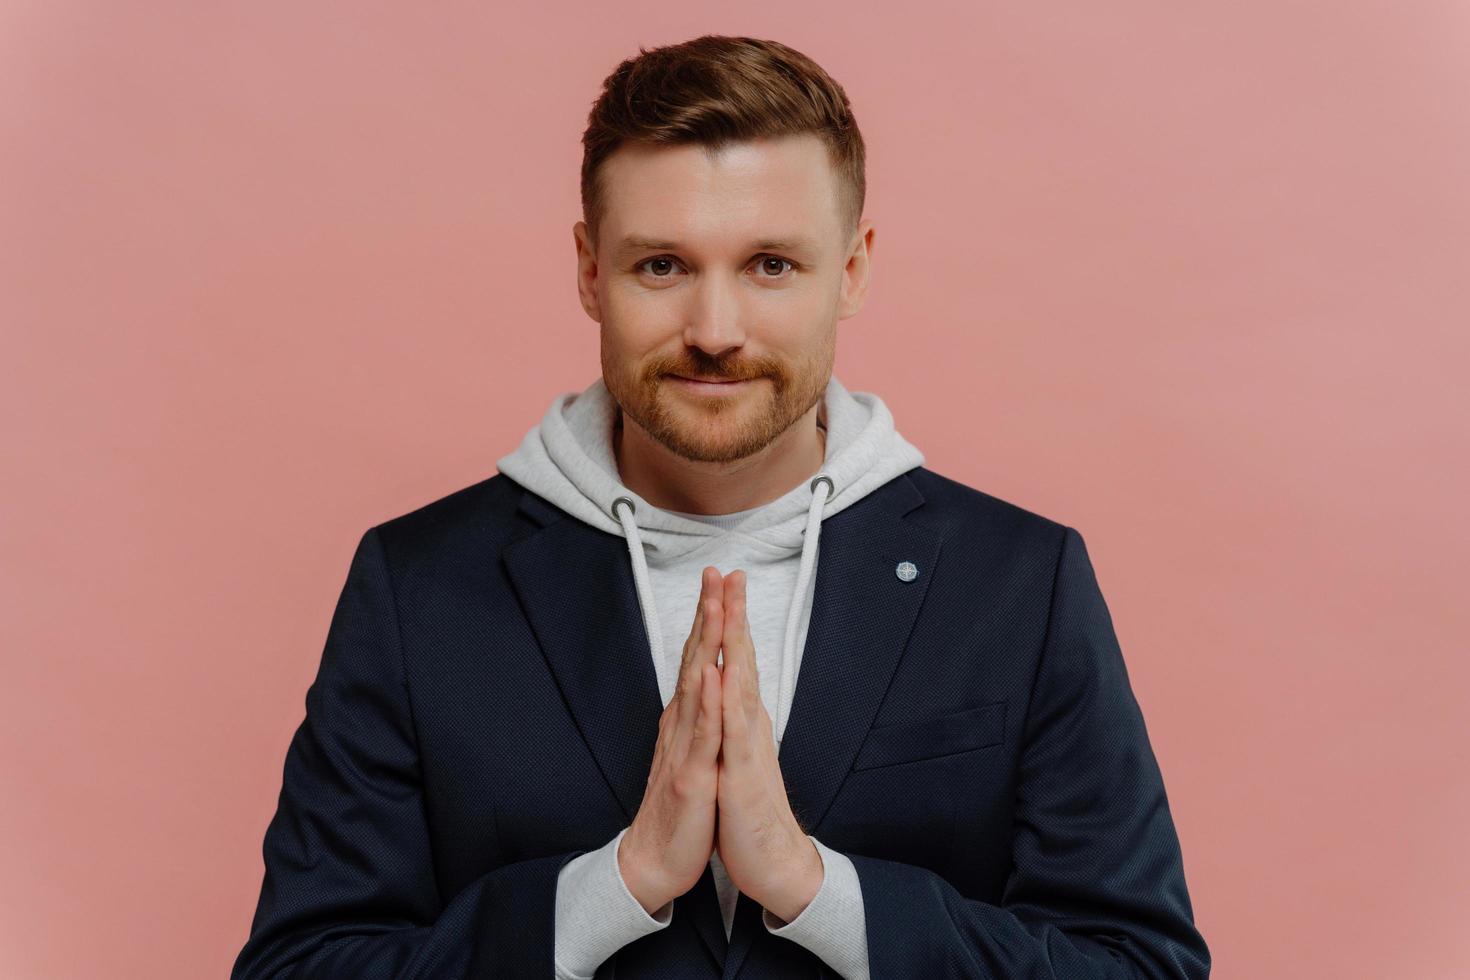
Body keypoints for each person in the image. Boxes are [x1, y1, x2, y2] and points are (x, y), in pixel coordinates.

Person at [231, 34, 1211, 980]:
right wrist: (613, 887)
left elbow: (1139, 964)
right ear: (588, 269)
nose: (713, 329)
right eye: (662, 265)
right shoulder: (418, 586)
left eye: (771, 265)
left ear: (855, 268)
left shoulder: (1021, 583)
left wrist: (814, 888)